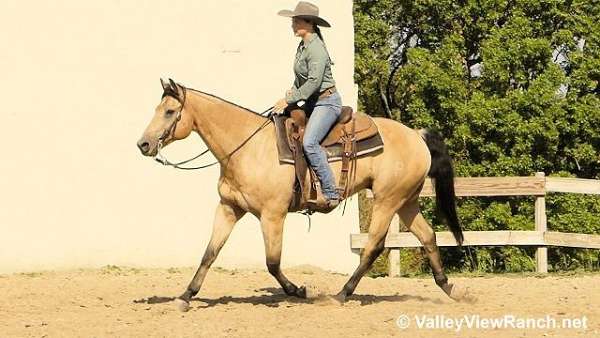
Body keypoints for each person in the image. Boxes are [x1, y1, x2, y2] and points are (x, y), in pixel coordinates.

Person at [273, 1, 342, 207]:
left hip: (327, 102)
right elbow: (300, 79)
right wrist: (291, 94)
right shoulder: (302, 46)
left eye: (296, 21)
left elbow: (314, 82)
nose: (292, 24)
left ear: (309, 23)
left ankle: (331, 192)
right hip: (313, 101)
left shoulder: (317, 49)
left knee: (309, 143)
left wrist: (290, 99)